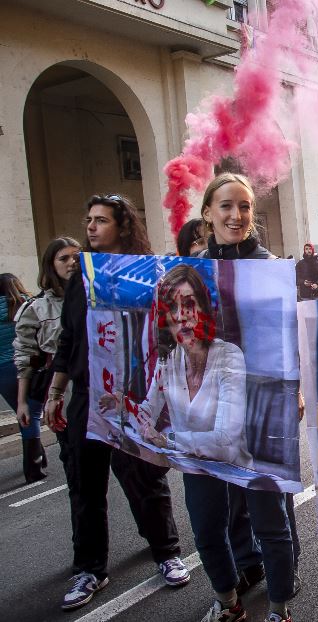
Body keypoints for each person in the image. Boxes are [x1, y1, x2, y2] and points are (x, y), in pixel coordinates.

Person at [43, 195, 189, 611]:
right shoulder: (80, 278)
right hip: (88, 398)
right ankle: (89, 568)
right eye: (88, 219)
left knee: (145, 478)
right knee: (85, 487)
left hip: (134, 395)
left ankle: (166, 552)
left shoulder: (147, 275)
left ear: (122, 227)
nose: (90, 227)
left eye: (101, 220)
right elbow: (69, 339)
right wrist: (56, 392)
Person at [191, 172, 296, 622]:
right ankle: (229, 602)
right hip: (200, 413)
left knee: (270, 520)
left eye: (245, 207)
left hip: (260, 408)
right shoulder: (189, 271)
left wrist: (296, 392)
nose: (237, 215)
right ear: (208, 213)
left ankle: (278, 608)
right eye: (227, 206)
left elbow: (289, 337)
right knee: (206, 520)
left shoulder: (270, 267)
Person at [175, 219, 267, 597]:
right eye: (195, 247)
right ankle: (235, 579)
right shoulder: (174, 356)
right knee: (212, 512)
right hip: (204, 426)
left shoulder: (254, 267)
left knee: (246, 497)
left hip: (245, 388)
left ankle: (256, 563)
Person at [99, 264, 251, 465]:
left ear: (204, 308)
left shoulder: (229, 356)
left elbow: (225, 441)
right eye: (171, 307)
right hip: (194, 471)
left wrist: (168, 440)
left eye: (188, 303)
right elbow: (148, 415)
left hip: (235, 478)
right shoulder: (168, 361)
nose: (180, 316)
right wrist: (125, 406)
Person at [12, 238, 81, 482]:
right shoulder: (36, 309)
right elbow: (25, 358)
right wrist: (23, 403)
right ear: (51, 265)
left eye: (76, 256)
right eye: (63, 258)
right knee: (77, 467)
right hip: (65, 392)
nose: (72, 262)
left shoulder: (99, 297)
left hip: (105, 390)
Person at [1, 273, 43, 482]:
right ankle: (33, 467)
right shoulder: (26, 306)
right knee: (32, 412)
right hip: (24, 365)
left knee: (23, 413)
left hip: (2, 371)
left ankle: (39, 458)